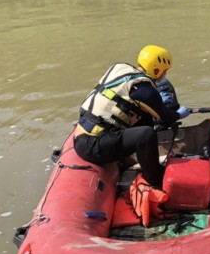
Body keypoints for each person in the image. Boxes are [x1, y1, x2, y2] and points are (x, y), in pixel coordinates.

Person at [73, 45, 191, 188]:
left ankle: (138, 161)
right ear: (156, 69)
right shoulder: (144, 90)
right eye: (164, 71)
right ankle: (155, 180)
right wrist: (180, 113)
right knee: (146, 134)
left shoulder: (119, 68)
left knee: (144, 117)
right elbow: (166, 116)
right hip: (92, 146)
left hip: (85, 134)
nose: (165, 74)